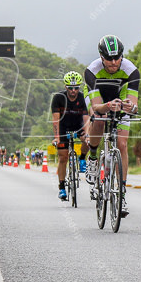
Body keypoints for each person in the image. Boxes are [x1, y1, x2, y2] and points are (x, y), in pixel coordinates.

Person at [84, 35, 139, 216]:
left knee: (122, 144)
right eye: (109, 59)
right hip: (100, 98)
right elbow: (96, 106)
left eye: (117, 58)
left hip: (119, 99)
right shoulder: (92, 71)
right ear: (101, 57)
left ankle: (121, 194)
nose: (114, 62)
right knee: (99, 118)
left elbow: (133, 105)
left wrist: (131, 107)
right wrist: (107, 106)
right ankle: (92, 157)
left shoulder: (131, 71)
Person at [51, 71, 91, 201]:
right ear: (65, 87)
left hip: (79, 124)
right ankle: (62, 187)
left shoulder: (82, 97)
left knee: (88, 139)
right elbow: (56, 120)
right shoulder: (58, 98)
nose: (73, 91)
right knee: (63, 158)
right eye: (70, 88)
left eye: (76, 88)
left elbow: (86, 118)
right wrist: (57, 138)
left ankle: (82, 158)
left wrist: (86, 133)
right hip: (63, 126)